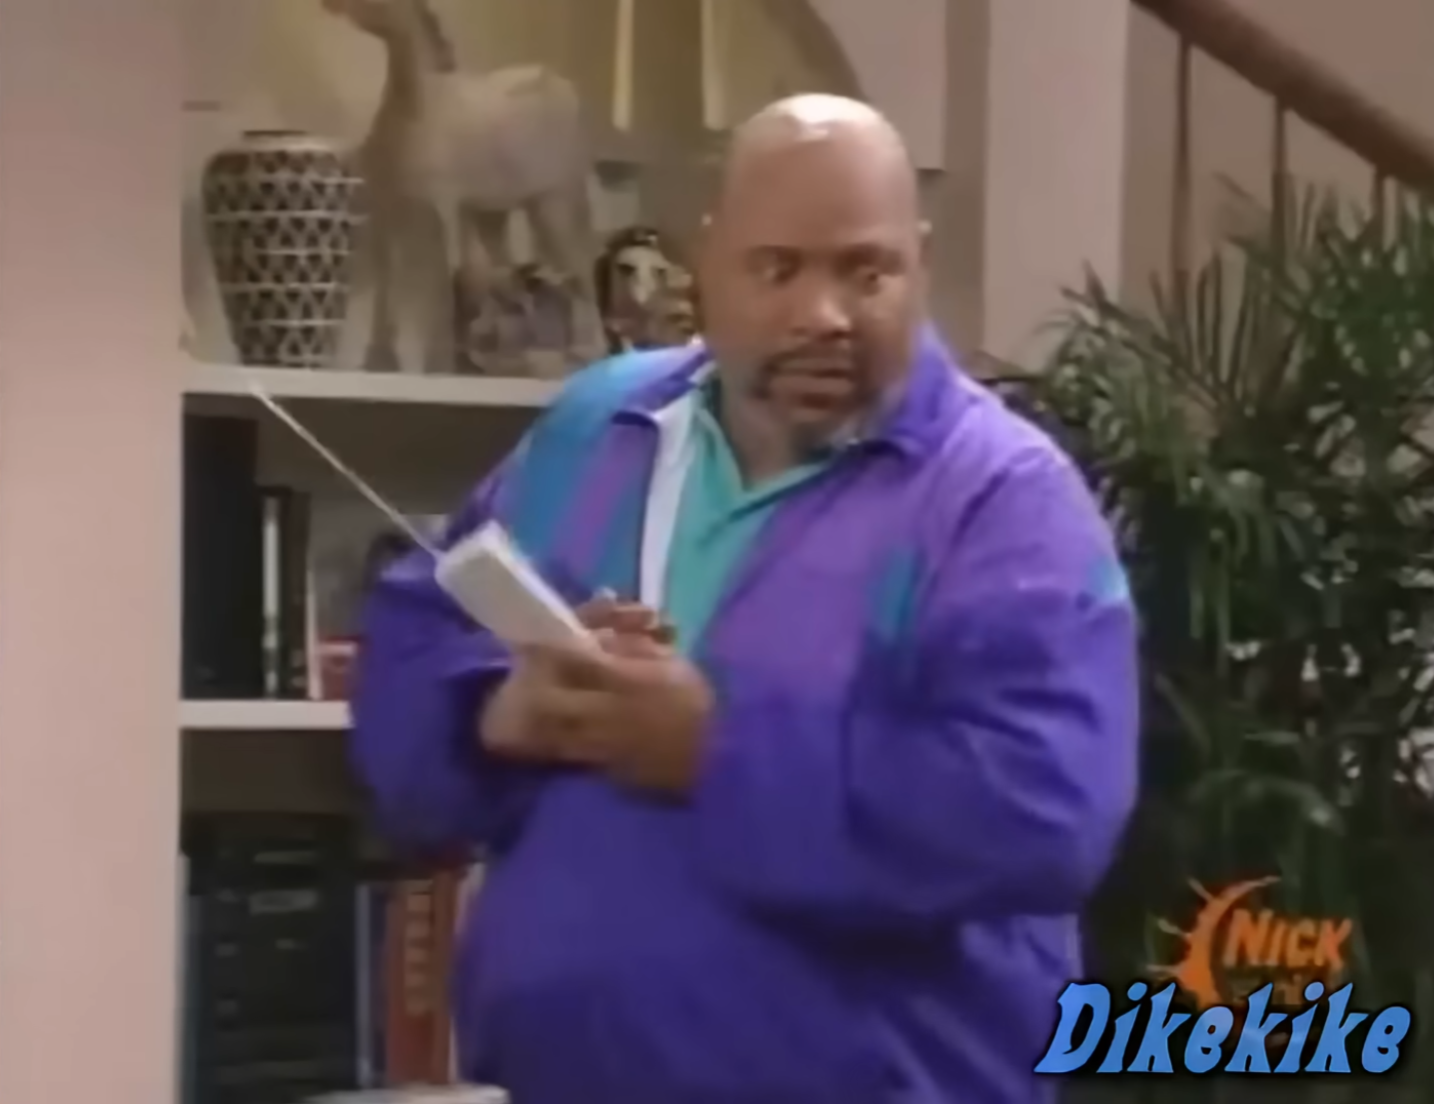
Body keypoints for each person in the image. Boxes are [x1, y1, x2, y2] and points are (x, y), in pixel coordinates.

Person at [352, 94, 1140, 1104]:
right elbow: (412, 643)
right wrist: (496, 713)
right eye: (778, 269)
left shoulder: (1003, 500)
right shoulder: (597, 426)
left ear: (921, 264)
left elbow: (1041, 812)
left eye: (866, 271)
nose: (824, 315)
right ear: (707, 264)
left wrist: (709, 751)